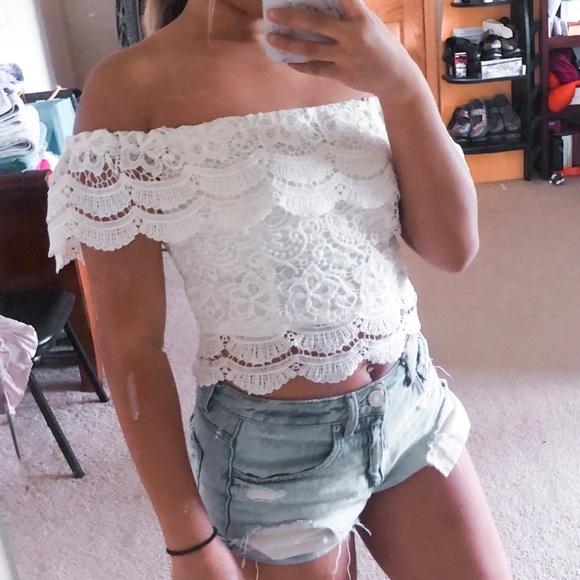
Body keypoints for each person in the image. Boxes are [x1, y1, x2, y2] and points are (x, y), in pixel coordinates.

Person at [46, 0, 513, 578]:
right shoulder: (131, 86)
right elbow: (131, 342)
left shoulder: (360, 49)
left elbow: (453, 248)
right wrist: (187, 541)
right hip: (270, 456)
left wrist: (402, 83)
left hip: (410, 402)